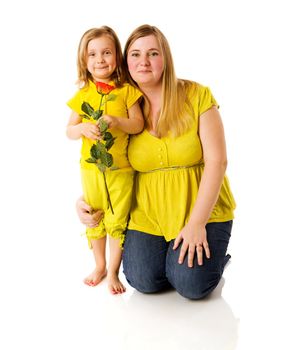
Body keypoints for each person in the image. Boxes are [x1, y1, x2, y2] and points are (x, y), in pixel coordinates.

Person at [76, 24, 236, 300]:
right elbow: (110, 165)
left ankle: (214, 258)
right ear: (125, 62)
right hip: (147, 212)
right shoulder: (120, 105)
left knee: (191, 285)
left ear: (166, 59)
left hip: (200, 207)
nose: (144, 62)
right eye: (135, 54)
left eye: (153, 53)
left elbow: (217, 162)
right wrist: (87, 200)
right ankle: (175, 261)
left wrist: (197, 223)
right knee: (143, 281)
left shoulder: (196, 95)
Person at [66, 26, 144, 294]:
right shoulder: (84, 93)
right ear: (84, 61)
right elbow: (69, 131)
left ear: (117, 57)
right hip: (91, 169)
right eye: (93, 54)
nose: (100, 60)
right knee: (95, 217)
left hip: (120, 170)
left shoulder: (126, 90)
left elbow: (137, 124)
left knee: (116, 221)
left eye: (107, 52)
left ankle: (113, 272)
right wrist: (82, 129)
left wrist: (116, 121)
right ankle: (99, 265)